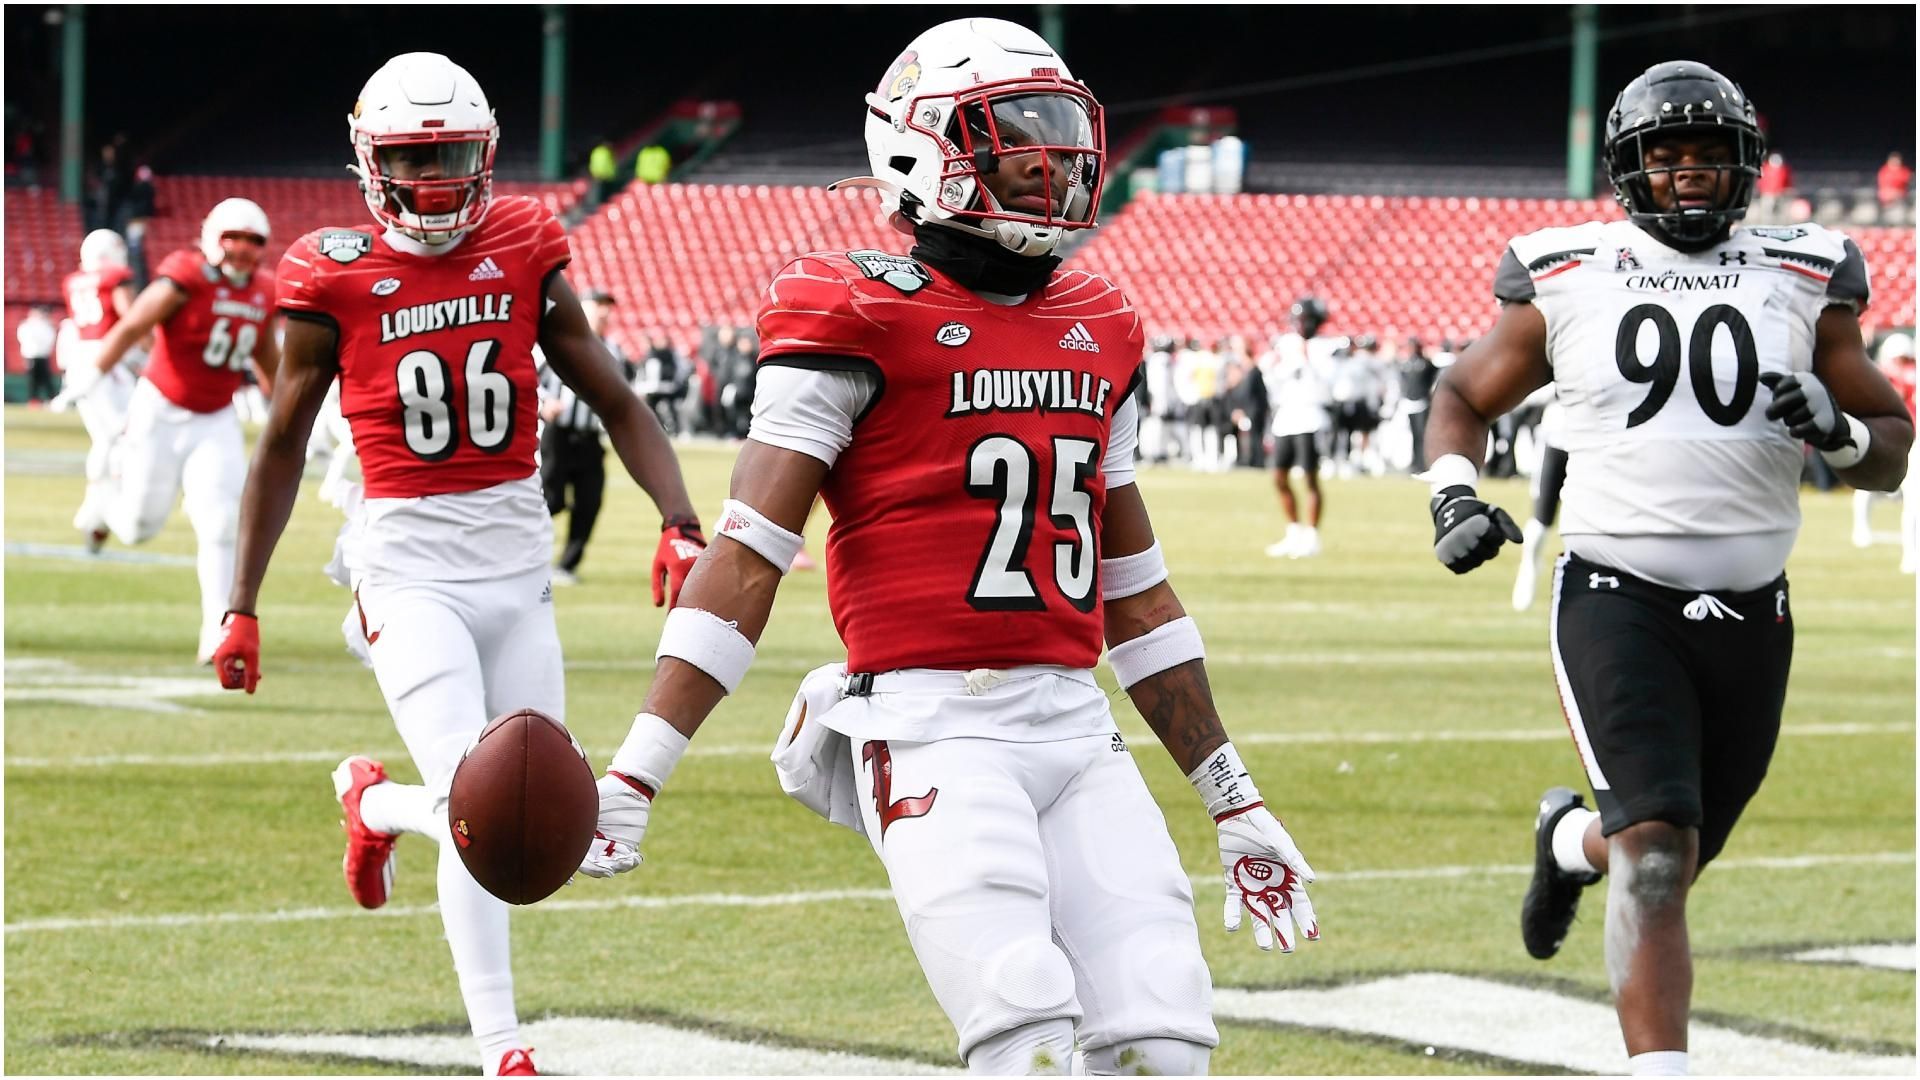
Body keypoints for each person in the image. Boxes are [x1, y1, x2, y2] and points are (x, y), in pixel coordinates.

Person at [573, 19, 1319, 1076]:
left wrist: (1232, 796)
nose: (1047, 156)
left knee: (1165, 1035)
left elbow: (1138, 596)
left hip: (1073, 725)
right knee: (1027, 1037)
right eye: (1012, 130)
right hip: (933, 729)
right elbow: (746, 556)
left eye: (1061, 129)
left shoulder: (1100, 320)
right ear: (921, 148)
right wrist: (637, 774)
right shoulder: (854, 309)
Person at [207, 53, 705, 1078]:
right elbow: (281, 445)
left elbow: (612, 396)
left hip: (516, 561)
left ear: (486, 156)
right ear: (369, 161)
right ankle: (501, 1048)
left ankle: (372, 805)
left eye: (450, 155)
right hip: (407, 562)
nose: (433, 179)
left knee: (541, 839)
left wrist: (680, 518)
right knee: (490, 813)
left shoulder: (524, 240)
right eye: (411, 157)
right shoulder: (328, 270)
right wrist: (239, 603)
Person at [1422, 60, 1911, 1077]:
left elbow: (1892, 444)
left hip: (1752, 609)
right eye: (1666, 155)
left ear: (1749, 167)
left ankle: (1565, 845)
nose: (1688, 174)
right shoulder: (1569, 268)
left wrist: (1839, 431)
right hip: (1615, 593)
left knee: (1670, 863)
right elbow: (1462, 393)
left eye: (1708, 155)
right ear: (1627, 168)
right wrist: (1453, 496)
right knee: (1653, 861)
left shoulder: (1806, 269)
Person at [77, 197, 280, 663]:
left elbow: (268, 359)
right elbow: (132, 326)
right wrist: (93, 373)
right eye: (234, 237)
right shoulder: (184, 274)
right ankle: (104, 504)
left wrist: (290, 410)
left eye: (253, 240)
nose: (243, 249)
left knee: (222, 523)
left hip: (216, 417)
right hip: (160, 410)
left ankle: (217, 630)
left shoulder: (264, 291)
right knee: (138, 527)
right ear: (212, 238)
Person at [538, 286, 636, 584]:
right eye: (599, 305)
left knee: (589, 501)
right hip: (558, 435)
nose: (605, 312)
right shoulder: (554, 340)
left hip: (591, 438)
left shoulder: (614, 350)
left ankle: (566, 566)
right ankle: (525, 557)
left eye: (608, 306)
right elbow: (526, 374)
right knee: (550, 499)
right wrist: (544, 402)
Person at [54, 230, 142, 548]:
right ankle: (106, 505)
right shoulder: (115, 276)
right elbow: (132, 319)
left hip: (81, 358)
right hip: (108, 358)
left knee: (106, 438)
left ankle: (94, 507)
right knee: (124, 434)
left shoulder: (74, 281)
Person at [1263, 298, 1333, 558]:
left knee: (1309, 477)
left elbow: (1328, 385)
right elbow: (1275, 380)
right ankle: (1293, 531)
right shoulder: (1286, 345)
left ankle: (1312, 535)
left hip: (1312, 415)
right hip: (1287, 416)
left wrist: (1308, 361)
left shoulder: (1324, 348)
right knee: (1279, 476)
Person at [17, 304, 57, 404]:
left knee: (46, 378)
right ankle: (33, 399)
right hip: (31, 355)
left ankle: (51, 398)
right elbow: (24, 338)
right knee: (33, 379)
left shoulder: (46, 325)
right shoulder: (27, 325)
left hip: (43, 355)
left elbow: (49, 339)